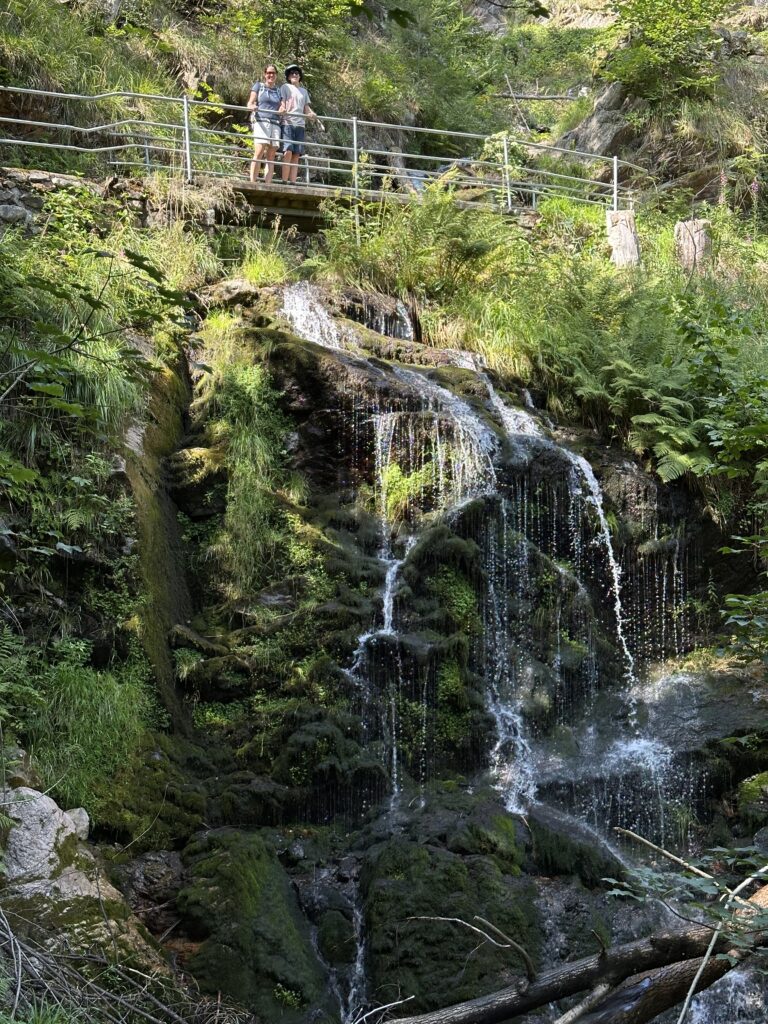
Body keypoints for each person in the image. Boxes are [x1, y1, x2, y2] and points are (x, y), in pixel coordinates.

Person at [278, 64, 316, 184]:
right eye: (292, 73)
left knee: (296, 154)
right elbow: (282, 102)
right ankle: (284, 180)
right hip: (288, 122)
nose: (294, 75)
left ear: (300, 76)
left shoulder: (304, 91)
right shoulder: (285, 87)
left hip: (300, 125)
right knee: (288, 151)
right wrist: (282, 109)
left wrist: (312, 114)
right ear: (288, 76)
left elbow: (306, 108)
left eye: (297, 73)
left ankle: (293, 182)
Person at [247, 65, 282, 184]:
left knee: (271, 156)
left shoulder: (278, 90)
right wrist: (253, 106)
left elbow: (282, 105)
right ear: (264, 74)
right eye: (268, 73)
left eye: (273, 73)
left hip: (275, 123)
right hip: (261, 121)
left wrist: (283, 108)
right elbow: (250, 103)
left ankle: (268, 184)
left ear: (276, 75)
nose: (271, 75)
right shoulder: (259, 86)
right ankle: (252, 182)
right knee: (259, 151)